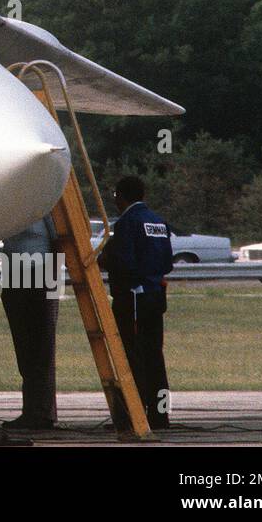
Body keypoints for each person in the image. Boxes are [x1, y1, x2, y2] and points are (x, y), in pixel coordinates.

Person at [99, 175, 174, 430]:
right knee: (154, 354)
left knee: (132, 355)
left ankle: (134, 414)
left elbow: (123, 262)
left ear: (120, 197)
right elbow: (167, 263)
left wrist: (103, 260)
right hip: (155, 295)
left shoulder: (127, 223)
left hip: (132, 298)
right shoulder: (159, 222)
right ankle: (160, 414)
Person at [0, 216, 60, 431]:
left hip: (40, 273)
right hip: (14, 274)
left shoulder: (45, 204)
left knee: (42, 348)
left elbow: (57, 241)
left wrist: (51, 280)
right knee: (24, 348)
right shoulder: (10, 203)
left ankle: (43, 412)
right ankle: (31, 410)